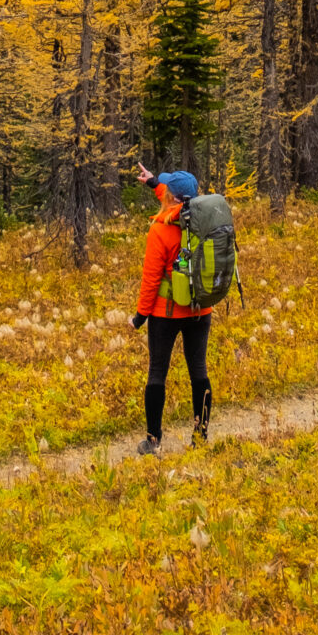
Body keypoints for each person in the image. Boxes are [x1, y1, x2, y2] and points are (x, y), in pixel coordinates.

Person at [130, 163, 213, 455]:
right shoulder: (206, 220)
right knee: (199, 372)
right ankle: (200, 437)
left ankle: (153, 441)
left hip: (165, 314)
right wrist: (153, 181)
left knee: (157, 374)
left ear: (173, 199)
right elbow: (172, 194)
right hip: (201, 309)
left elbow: (151, 279)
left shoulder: (160, 230)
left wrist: (140, 316)